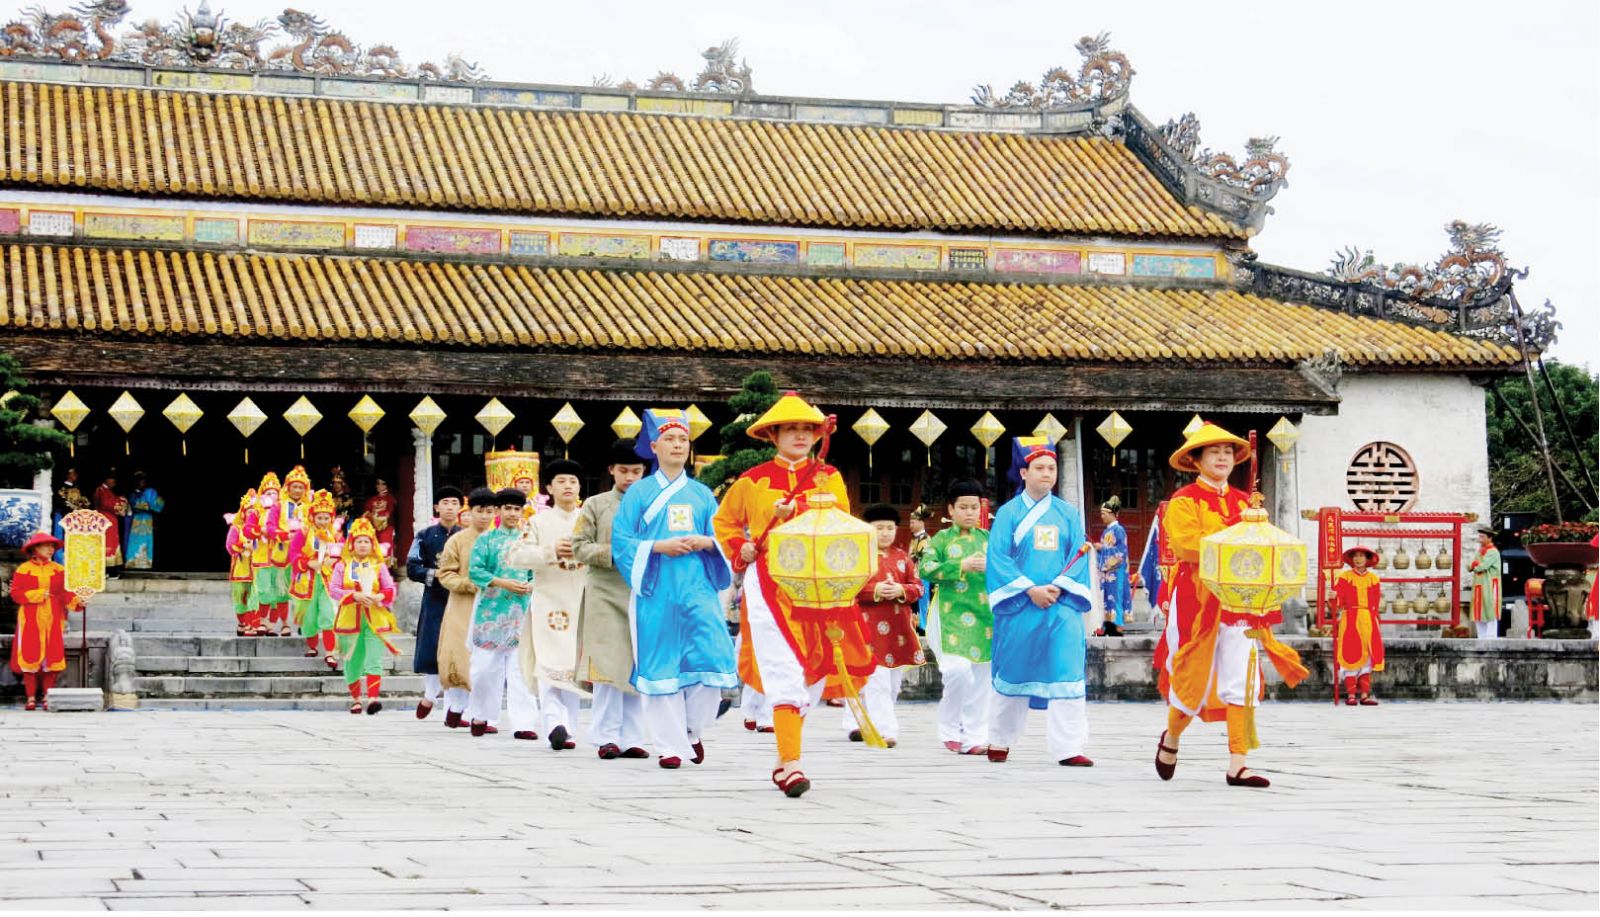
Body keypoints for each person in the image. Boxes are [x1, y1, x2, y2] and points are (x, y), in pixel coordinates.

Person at [712, 391, 870, 797]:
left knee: (812, 671)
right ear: (774, 434)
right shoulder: (752, 480)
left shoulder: (829, 476)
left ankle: (784, 759)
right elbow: (726, 522)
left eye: (808, 429)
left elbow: (842, 526)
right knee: (784, 670)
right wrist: (740, 547)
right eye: (792, 429)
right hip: (769, 584)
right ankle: (794, 763)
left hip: (821, 587)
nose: (801, 436)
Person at [1152, 422, 1308, 789]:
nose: (1222, 458)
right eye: (1213, 452)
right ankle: (1171, 737)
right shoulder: (1184, 501)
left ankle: (1238, 763)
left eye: (1227, 452)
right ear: (1197, 459)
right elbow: (1188, 545)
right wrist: (1235, 535)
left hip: (1241, 603)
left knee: (1243, 680)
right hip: (1197, 601)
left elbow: (1262, 547)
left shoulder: (1245, 502)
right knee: (1193, 678)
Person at [613, 414, 739, 769]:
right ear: (654, 447)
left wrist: (708, 541)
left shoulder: (701, 494)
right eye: (670, 440)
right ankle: (669, 747)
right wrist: (657, 547)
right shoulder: (638, 493)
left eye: (683, 440)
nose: (678, 445)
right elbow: (622, 541)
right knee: (659, 665)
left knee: (711, 659)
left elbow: (724, 539)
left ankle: (692, 730)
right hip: (656, 588)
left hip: (697, 588)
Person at [984, 439, 1096, 767]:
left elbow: (1079, 552)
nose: (1047, 474)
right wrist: (1030, 589)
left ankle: (1068, 747)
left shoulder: (1068, 512)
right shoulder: (1007, 513)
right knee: (1013, 673)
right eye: (1040, 468)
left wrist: (1059, 588)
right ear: (1024, 472)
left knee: (1068, 672)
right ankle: (1000, 739)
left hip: (1061, 607)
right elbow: (998, 558)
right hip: (1021, 604)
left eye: (1052, 468)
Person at [572, 439, 651, 760]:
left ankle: (633, 737)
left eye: (636, 471)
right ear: (611, 471)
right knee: (607, 664)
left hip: (642, 592)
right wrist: (617, 554)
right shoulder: (595, 504)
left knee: (636, 664)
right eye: (623, 471)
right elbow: (579, 546)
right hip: (604, 592)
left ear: (645, 470)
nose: (630, 477)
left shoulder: (654, 504)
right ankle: (606, 736)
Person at [919, 479, 995, 755]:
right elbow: (925, 569)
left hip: (985, 616)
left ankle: (975, 737)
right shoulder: (940, 540)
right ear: (950, 510)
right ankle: (949, 728)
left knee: (982, 675)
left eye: (974, 507)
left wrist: (992, 567)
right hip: (951, 614)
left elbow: (1008, 569)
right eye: (963, 507)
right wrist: (959, 566)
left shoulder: (989, 540)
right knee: (958, 672)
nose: (969, 513)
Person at [518, 459, 588, 752]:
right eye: (561, 481)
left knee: (573, 667)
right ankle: (553, 722)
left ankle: (567, 727)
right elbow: (517, 555)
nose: (568, 486)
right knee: (549, 663)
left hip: (583, 601)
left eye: (572, 481)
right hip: (549, 603)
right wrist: (548, 552)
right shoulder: (538, 521)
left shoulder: (589, 519)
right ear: (548, 488)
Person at [844, 504, 924, 747]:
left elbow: (918, 587)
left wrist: (902, 589)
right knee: (874, 678)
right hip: (867, 627)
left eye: (890, 528)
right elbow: (848, 588)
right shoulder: (856, 557)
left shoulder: (903, 558)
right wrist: (875, 590)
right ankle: (884, 730)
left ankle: (857, 722)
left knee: (892, 683)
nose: (885, 533)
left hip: (898, 628)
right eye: (879, 528)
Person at [465, 488, 540, 739]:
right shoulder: (486, 540)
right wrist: (502, 582)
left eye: (517, 509)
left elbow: (535, 571)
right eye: (507, 508)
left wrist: (531, 583)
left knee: (521, 669)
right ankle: (481, 714)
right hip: (491, 610)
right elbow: (475, 572)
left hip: (521, 610)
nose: (512, 513)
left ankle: (524, 723)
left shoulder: (528, 540)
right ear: (498, 511)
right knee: (484, 668)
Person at [435, 487, 497, 729]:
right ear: (469, 512)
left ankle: (481, 715)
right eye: (479, 511)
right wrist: (468, 584)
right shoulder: (458, 541)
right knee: (462, 658)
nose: (484, 516)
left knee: (488, 663)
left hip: (494, 606)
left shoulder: (500, 540)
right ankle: (458, 708)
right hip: (464, 605)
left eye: (489, 511)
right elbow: (445, 574)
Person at [327, 517, 400, 714]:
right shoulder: (342, 566)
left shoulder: (379, 566)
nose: (362, 545)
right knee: (352, 661)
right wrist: (353, 596)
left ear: (372, 544)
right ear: (351, 543)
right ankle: (357, 699)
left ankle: (373, 698)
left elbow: (390, 589)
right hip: (350, 619)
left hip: (375, 619)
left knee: (374, 659)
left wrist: (378, 597)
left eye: (366, 541)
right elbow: (333, 590)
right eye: (359, 541)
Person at [406, 485, 464, 719]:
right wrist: (436, 575)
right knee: (433, 649)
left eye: (454, 503)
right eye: (445, 503)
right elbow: (412, 566)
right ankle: (430, 695)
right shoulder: (425, 536)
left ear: (461, 507)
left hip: (460, 600)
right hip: (435, 599)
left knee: (458, 651)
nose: (449, 507)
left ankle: (454, 708)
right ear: (436, 507)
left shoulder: (466, 537)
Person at [9, 532, 83, 710]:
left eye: (52, 547)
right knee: (29, 653)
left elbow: (65, 594)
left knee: (52, 656)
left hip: (53, 617)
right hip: (30, 617)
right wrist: (38, 595)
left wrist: (78, 602)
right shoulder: (24, 569)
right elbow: (16, 594)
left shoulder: (58, 569)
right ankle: (31, 697)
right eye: (47, 546)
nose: (51, 549)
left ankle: (48, 696)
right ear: (35, 549)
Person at [289, 489, 342, 670]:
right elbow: (293, 554)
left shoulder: (336, 536)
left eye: (326, 518)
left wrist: (333, 562)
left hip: (327, 583)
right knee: (309, 618)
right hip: (307, 581)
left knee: (328, 616)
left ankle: (330, 652)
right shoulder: (303, 533)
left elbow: (345, 557)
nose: (323, 521)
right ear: (313, 517)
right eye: (320, 518)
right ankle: (312, 646)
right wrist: (308, 562)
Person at [1332, 546, 1384, 705]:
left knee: (1368, 656)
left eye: (1361, 556)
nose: (1358, 559)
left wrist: (1376, 621)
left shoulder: (1374, 579)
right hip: (1351, 619)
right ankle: (1351, 695)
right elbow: (1337, 604)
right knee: (1350, 654)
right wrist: (1333, 598)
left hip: (1368, 619)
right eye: (1355, 556)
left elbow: (1375, 603)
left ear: (1367, 559)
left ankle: (1364, 695)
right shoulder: (1344, 577)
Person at [246, 472, 291, 636]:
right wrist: (260, 530)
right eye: (268, 493)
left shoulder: (284, 513)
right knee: (264, 591)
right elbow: (247, 530)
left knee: (281, 593)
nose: (272, 495)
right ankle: (265, 623)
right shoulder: (256, 512)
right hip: (262, 559)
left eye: (275, 492)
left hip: (280, 558)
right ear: (262, 495)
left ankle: (284, 624)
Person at [1096, 497, 1132, 637]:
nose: (1102, 516)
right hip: (1107, 572)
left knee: (1116, 597)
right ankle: (1108, 625)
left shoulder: (1119, 530)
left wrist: (1102, 548)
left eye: (1104, 513)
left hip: (1116, 572)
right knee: (1106, 598)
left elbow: (1121, 552)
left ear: (1112, 514)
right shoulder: (1106, 532)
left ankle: (1117, 626)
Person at [224, 490, 258, 637]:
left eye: (254, 512)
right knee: (240, 600)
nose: (251, 515)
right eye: (248, 511)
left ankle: (252, 625)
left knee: (255, 599)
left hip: (257, 570)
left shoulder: (260, 530)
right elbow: (230, 546)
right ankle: (242, 622)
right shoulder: (236, 528)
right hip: (241, 570)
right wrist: (244, 546)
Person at [124, 471, 165, 571]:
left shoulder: (151, 492)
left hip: (148, 520)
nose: (141, 482)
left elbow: (160, 504)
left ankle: (146, 564)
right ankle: (133, 563)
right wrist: (139, 505)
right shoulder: (132, 494)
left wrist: (150, 507)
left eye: (142, 480)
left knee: (147, 541)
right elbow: (131, 505)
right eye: (138, 480)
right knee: (134, 542)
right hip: (135, 521)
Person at [1468, 527, 1502, 641]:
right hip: (1479, 584)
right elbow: (1470, 565)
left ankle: (1491, 637)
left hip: (1489, 585)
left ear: (1490, 538)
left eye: (1482, 537)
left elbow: (1481, 566)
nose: (1480, 539)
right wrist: (1474, 564)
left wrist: (1475, 565)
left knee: (1489, 608)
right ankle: (1481, 636)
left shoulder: (1493, 551)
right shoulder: (1480, 551)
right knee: (1478, 610)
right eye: (1480, 536)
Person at [92, 470, 127, 573]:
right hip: (105, 521)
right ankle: (108, 570)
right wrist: (120, 501)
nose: (114, 482)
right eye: (112, 480)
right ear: (107, 480)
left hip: (110, 521)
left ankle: (110, 570)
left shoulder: (107, 491)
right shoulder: (101, 490)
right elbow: (107, 504)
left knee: (112, 543)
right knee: (108, 544)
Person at [908, 505, 932, 631]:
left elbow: (920, 558)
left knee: (922, 601)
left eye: (912, 522)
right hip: (914, 575)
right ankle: (917, 624)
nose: (910, 525)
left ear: (921, 522)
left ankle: (923, 625)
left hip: (922, 575)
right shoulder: (915, 538)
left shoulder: (925, 539)